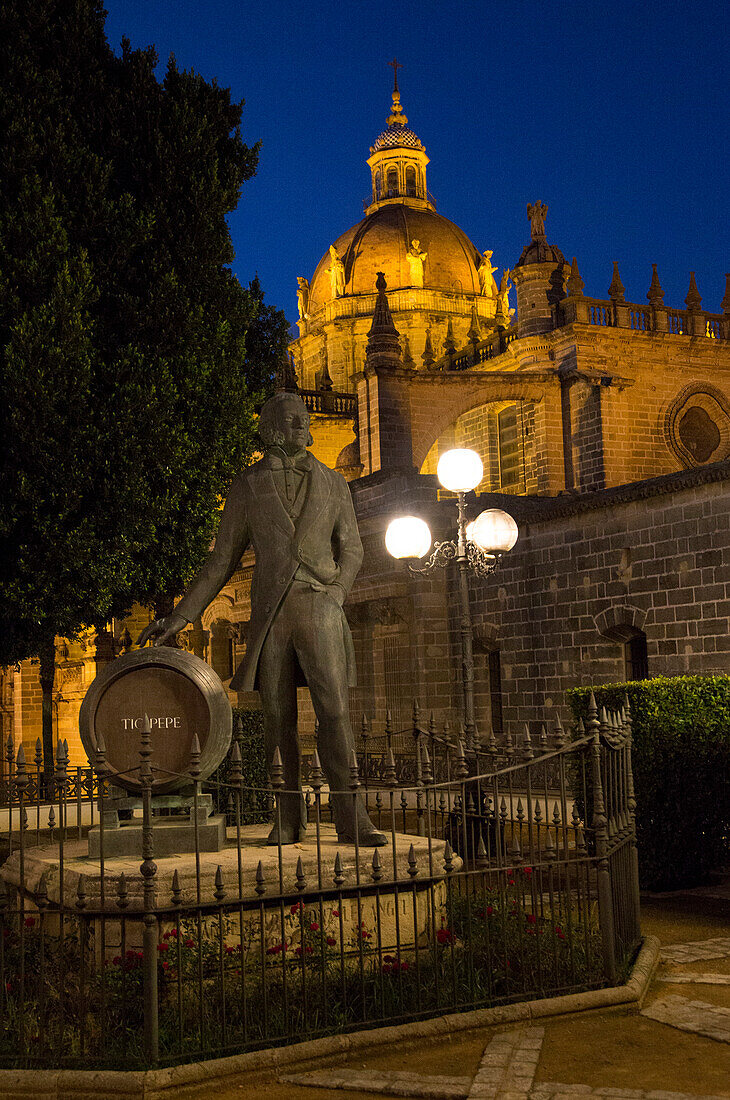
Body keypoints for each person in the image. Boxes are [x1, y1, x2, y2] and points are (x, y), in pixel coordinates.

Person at [138, 392, 386, 847]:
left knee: (335, 711)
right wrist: (178, 616)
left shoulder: (335, 483)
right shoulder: (247, 486)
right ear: (269, 429)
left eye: (302, 421)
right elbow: (220, 561)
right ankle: (287, 819)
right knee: (277, 718)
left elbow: (352, 548)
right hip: (270, 614)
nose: (298, 427)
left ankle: (353, 817)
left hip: (320, 606)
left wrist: (336, 592)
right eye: (289, 421)